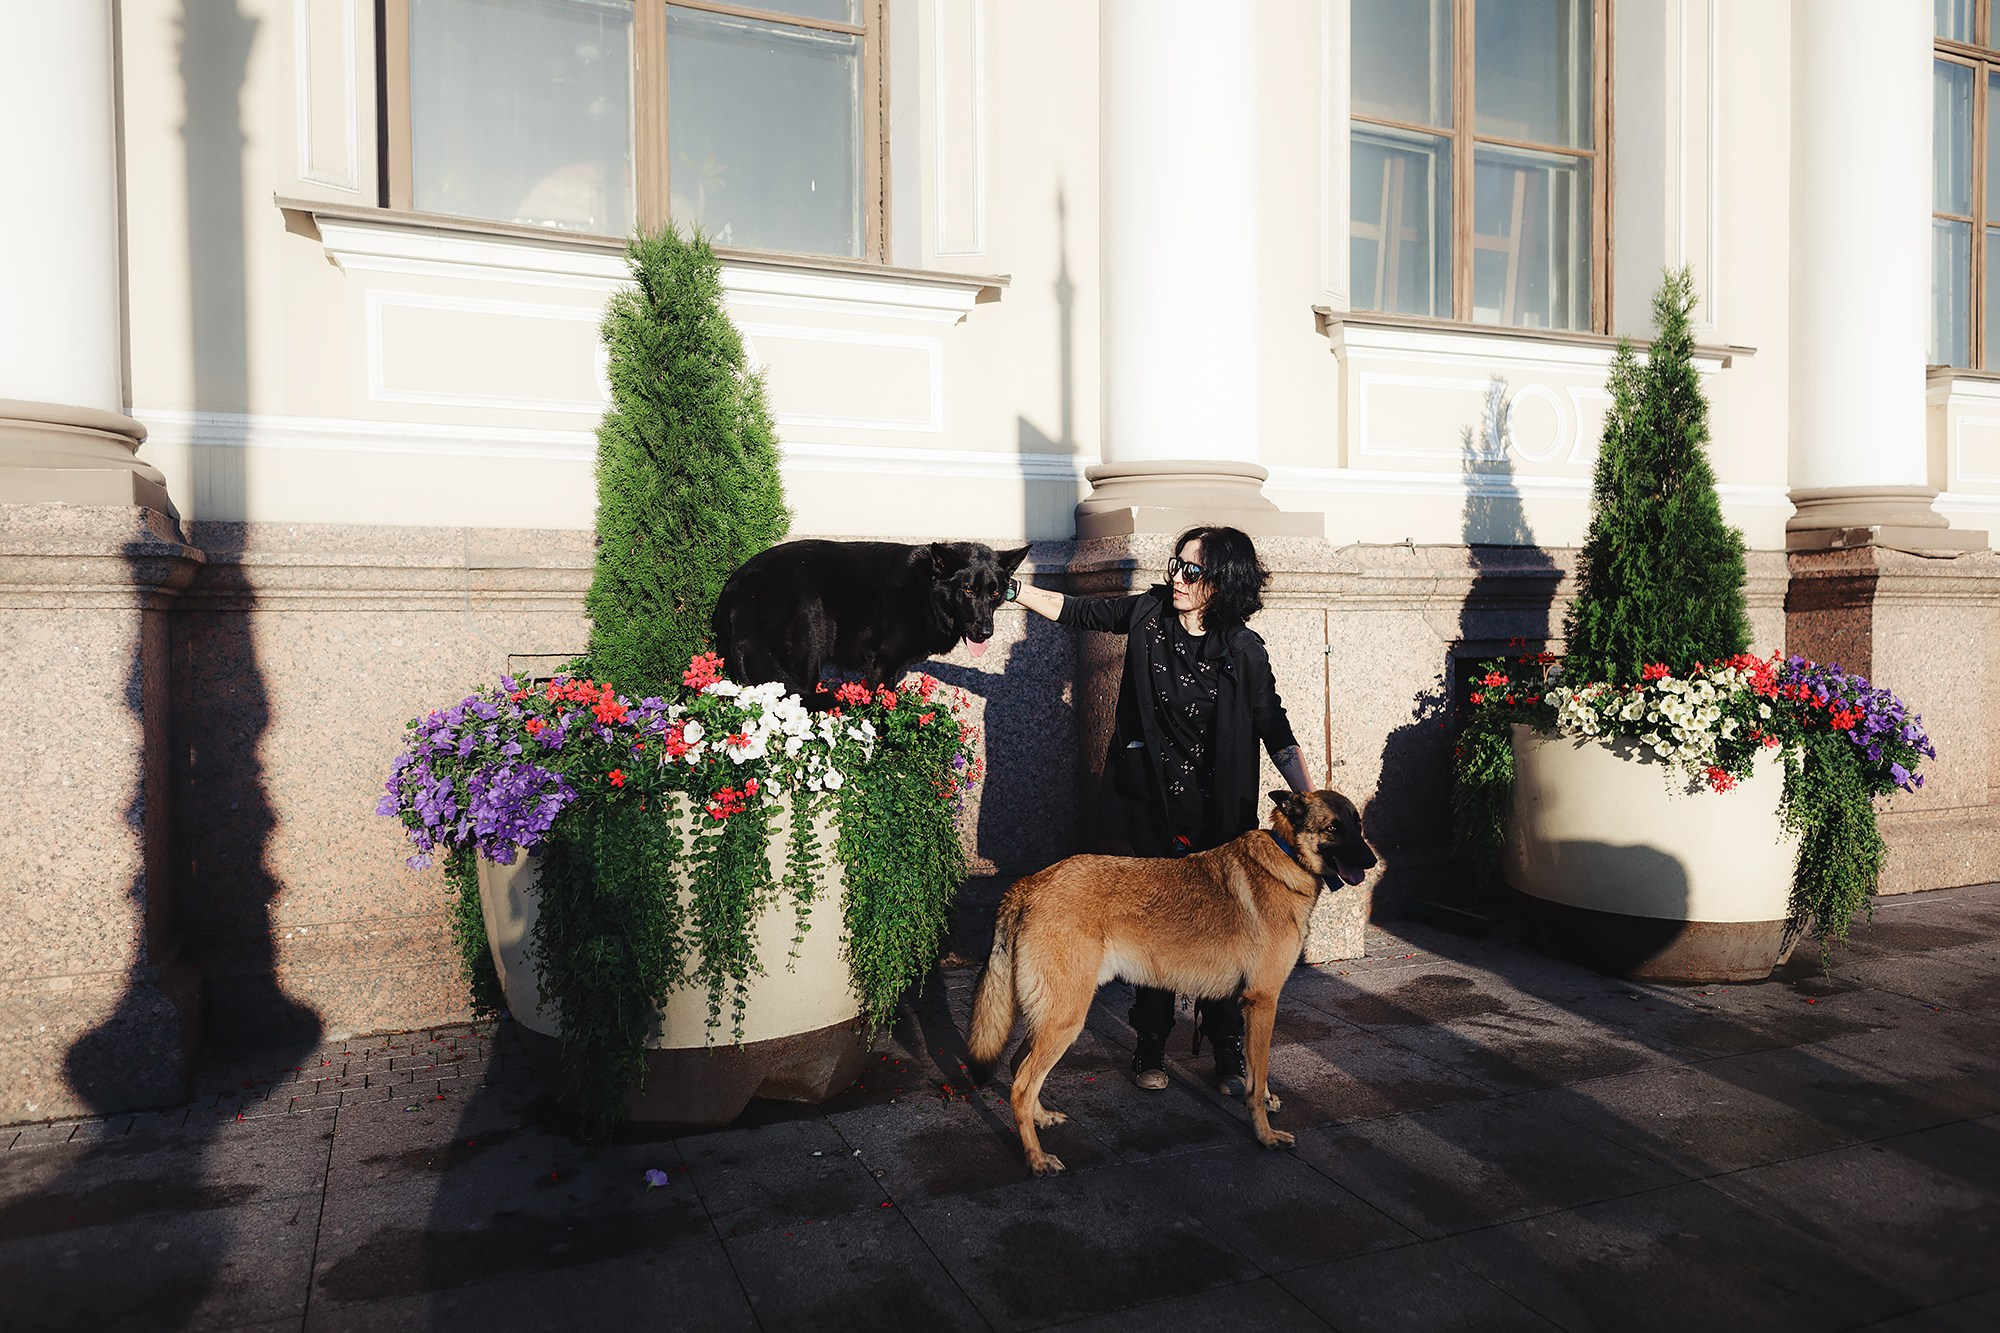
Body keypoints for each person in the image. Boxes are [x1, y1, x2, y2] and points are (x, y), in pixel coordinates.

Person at [1007, 525, 1313, 1094]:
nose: (1177, 578)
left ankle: (1226, 1049)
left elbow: (1276, 729)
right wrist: (1011, 589)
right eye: (1176, 565)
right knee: (1150, 931)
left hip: (1219, 818)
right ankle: (1150, 1043)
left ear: (1221, 582)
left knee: (1224, 933)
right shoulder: (1149, 616)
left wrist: (1309, 802)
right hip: (1151, 805)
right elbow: (1080, 612)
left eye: (1191, 571)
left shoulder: (1244, 651)